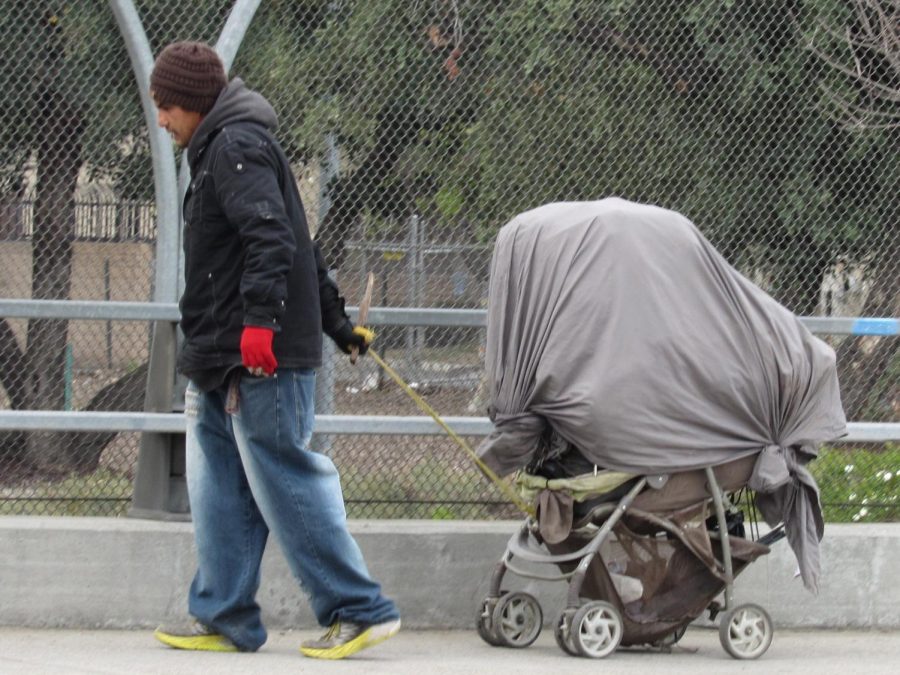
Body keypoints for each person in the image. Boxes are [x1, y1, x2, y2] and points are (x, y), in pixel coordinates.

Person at [147, 41, 400, 660]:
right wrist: (339, 323)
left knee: (285, 478)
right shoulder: (221, 146)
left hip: (256, 356)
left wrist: (260, 324)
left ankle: (359, 609)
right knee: (221, 490)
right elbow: (301, 241)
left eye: (165, 105)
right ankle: (226, 615)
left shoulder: (234, 147)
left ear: (193, 102)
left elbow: (273, 238)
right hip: (217, 356)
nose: (160, 119)